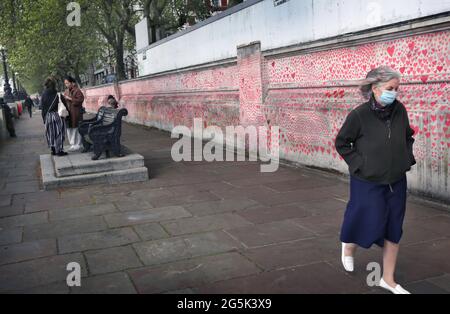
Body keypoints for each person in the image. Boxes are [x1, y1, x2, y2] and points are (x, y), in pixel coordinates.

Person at [335, 66, 416, 294]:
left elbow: (408, 136)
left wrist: (406, 158)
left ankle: (387, 279)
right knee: (364, 219)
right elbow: (342, 143)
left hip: (396, 180)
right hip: (366, 180)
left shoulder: (399, 110)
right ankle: (348, 247)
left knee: (393, 228)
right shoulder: (359, 115)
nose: (395, 93)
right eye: (390, 88)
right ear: (375, 88)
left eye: (397, 89)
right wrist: (361, 164)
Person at [41, 77, 68, 156]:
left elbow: (43, 108)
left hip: (48, 116)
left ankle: (53, 149)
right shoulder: (57, 94)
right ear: (54, 84)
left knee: (50, 133)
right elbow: (64, 104)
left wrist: (44, 119)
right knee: (59, 133)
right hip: (57, 115)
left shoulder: (43, 94)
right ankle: (59, 150)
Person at [62, 76, 84, 151]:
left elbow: (80, 100)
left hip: (75, 112)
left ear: (72, 83)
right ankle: (72, 144)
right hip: (69, 113)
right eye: (65, 83)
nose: (66, 85)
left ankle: (78, 144)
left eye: (67, 83)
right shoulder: (66, 91)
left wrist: (70, 99)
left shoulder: (77, 90)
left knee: (76, 128)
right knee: (69, 128)